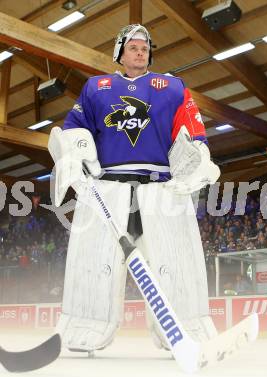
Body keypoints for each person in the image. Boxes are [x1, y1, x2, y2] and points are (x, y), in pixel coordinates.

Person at [48, 24, 220, 353]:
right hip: (107, 188)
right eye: (133, 47)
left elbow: (192, 128)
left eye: (144, 48)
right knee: (95, 261)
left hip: (161, 188)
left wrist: (197, 155)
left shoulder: (171, 87)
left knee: (174, 261)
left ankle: (186, 328)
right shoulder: (95, 88)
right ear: (120, 52)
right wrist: (74, 152)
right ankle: (85, 324)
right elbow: (73, 129)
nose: (140, 52)